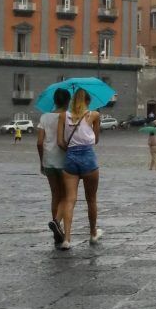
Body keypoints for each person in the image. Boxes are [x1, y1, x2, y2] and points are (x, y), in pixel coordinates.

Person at [57, 88, 102, 250]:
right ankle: (93, 233)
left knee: (70, 199)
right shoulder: (94, 115)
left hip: (70, 158)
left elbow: (60, 142)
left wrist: (70, 149)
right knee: (91, 199)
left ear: (73, 102)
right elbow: (96, 139)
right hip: (88, 158)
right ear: (87, 102)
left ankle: (67, 239)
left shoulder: (63, 116)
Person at [37, 88, 71, 246]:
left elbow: (39, 142)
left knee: (55, 195)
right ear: (67, 101)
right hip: (64, 160)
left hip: (48, 160)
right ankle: (57, 223)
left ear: (55, 101)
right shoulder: (68, 117)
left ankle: (56, 230)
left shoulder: (44, 117)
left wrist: (41, 161)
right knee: (66, 196)